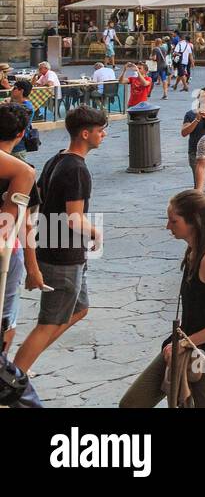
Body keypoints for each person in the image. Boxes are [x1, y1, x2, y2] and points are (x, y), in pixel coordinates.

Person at [119, 190, 205, 408]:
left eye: (173, 221)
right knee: (132, 403)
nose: (168, 226)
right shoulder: (194, 250)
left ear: (194, 222)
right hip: (186, 342)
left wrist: (186, 342)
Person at [13, 107, 107, 377]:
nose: (103, 135)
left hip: (53, 247)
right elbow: (74, 219)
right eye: (100, 131)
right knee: (49, 322)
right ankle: (14, 375)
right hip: (63, 254)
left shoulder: (58, 159)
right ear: (85, 133)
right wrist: (96, 233)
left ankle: (24, 360)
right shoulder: (77, 169)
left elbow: (39, 199)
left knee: (79, 309)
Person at [1, 105, 40, 362]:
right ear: (21, 134)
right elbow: (25, 223)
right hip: (7, 252)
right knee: (7, 314)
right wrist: (32, 267)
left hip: (9, 250)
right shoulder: (22, 171)